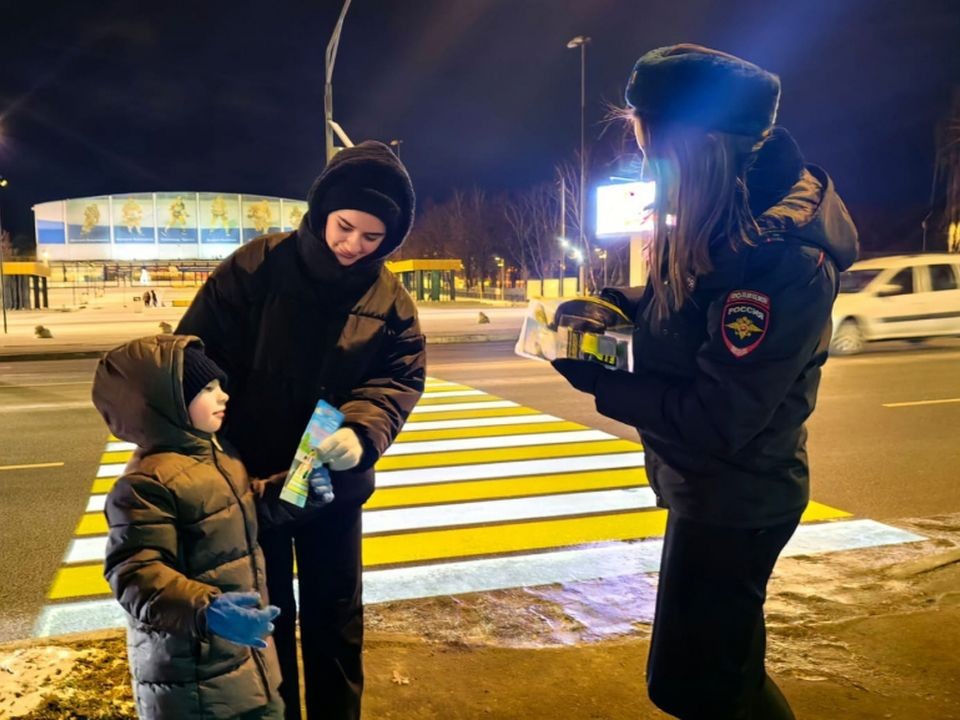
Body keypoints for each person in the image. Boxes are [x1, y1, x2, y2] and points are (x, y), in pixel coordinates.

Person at [552, 45, 858, 719]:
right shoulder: (730, 220)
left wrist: (602, 382)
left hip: (739, 500)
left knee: (706, 685)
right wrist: (613, 310)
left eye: (649, 147)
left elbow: (721, 418)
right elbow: (689, 312)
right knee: (712, 677)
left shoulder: (779, 258)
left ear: (692, 148)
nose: (644, 164)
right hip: (710, 490)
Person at [176, 140, 426, 720]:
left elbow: (399, 377)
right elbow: (192, 355)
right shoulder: (254, 266)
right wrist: (203, 423)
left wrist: (363, 431)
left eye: (372, 238)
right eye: (345, 227)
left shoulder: (391, 300)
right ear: (320, 212)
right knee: (266, 618)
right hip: (250, 481)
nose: (353, 246)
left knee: (336, 617)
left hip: (328, 483)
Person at [92, 335, 335, 719]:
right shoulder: (144, 484)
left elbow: (240, 508)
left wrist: (295, 492)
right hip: (192, 685)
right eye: (207, 388)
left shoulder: (216, 454)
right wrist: (207, 609)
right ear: (166, 401)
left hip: (245, 664)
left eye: (220, 385)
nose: (223, 395)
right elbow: (133, 572)